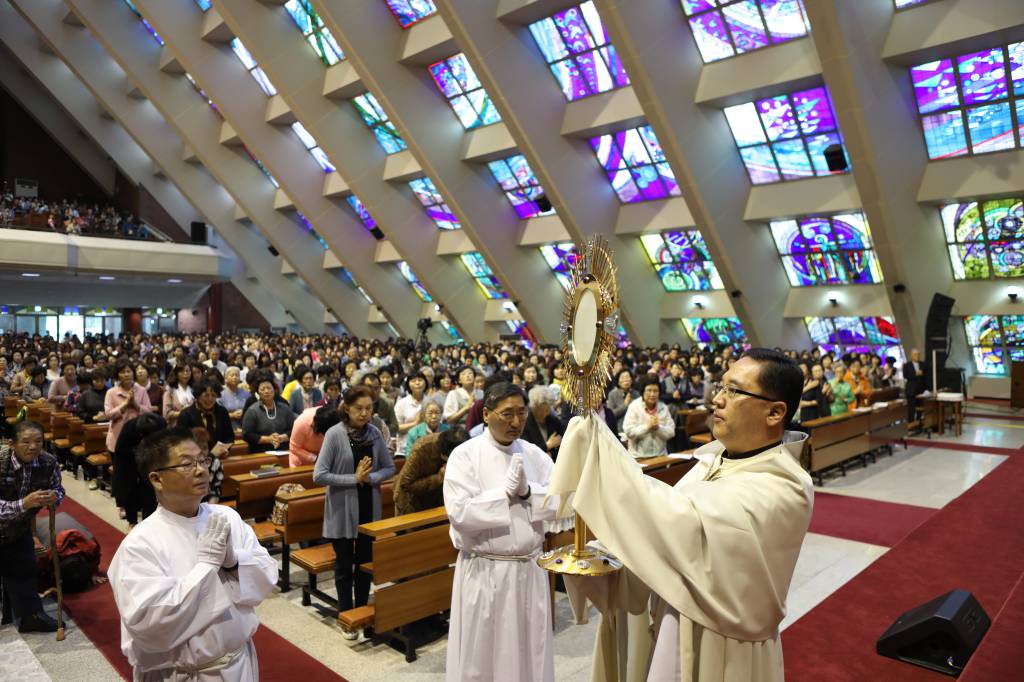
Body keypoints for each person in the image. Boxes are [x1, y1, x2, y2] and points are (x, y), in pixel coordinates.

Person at [558, 349, 813, 681]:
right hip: (671, 625)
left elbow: (684, 526)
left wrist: (600, 448)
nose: (717, 400)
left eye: (733, 391)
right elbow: (665, 540)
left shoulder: (785, 487)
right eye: (720, 388)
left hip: (724, 651)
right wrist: (609, 560)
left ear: (775, 412)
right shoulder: (712, 462)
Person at [108, 430, 278, 680]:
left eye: (203, 460)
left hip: (239, 662)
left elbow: (267, 576)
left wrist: (233, 563)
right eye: (187, 464)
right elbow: (150, 624)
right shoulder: (139, 544)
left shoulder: (226, 518)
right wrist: (206, 567)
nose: (201, 470)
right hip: (185, 673)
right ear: (156, 479)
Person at [443, 382, 560, 682]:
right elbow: (459, 513)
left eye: (522, 413)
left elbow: (561, 502)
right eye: (507, 414)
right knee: (483, 655)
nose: (517, 422)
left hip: (529, 569)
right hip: (486, 570)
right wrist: (503, 495)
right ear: (486, 414)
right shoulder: (465, 455)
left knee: (530, 650)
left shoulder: (534, 455)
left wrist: (528, 492)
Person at [313, 386, 395, 634]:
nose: (364, 413)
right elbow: (319, 475)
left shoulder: (374, 434)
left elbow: (390, 468)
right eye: (359, 408)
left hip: (369, 508)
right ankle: (346, 617)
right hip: (342, 509)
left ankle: (361, 612)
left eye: (369, 408)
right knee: (344, 567)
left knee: (365, 565)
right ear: (346, 408)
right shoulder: (334, 435)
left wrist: (371, 479)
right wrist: (354, 478)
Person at [0, 421, 64, 633]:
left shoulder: (48, 462)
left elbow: (58, 488)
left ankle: (30, 617)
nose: (33, 447)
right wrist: (23, 504)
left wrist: (55, 497)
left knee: (25, 569)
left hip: (18, 529)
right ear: (12, 443)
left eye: (38, 441)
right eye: (26, 442)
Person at [393, 428, 469, 515]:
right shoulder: (421, 448)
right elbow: (405, 484)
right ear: (444, 455)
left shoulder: (464, 445)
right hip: (411, 503)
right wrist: (439, 478)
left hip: (443, 501)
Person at [112, 412, 167, 527]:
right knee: (129, 490)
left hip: (151, 460)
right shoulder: (129, 428)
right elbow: (120, 450)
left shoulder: (161, 424)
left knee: (150, 491)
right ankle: (132, 522)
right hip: (128, 460)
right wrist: (138, 452)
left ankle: (148, 523)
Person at [104, 362, 154, 455]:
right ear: (117, 375)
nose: (126, 374)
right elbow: (108, 415)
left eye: (129, 371)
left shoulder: (141, 390)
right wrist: (125, 404)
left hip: (138, 436)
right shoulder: (111, 392)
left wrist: (135, 404)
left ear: (133, 373)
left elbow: (149, 412)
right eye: (123, 372)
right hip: (117, 436)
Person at [622, 374, 676, 457]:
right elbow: (628, 431)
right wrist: (647, 427)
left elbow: (671, 432)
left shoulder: (663, 407)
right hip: (638, 457)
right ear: (642, 391)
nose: (652, 394)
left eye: (655, 391)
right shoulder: (634, 406)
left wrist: (658, 428)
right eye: (649, 390)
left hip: (660, 456)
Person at [241, 377, 296, 453]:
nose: (266, 391)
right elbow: (246, 435)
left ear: (274, 390)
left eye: (269, 388)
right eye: (263, 389)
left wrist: (282, 438)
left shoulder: (284, 408)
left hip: (284, 450)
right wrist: (268, 439)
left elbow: (294, 429)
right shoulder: (252, 411)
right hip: (260, 452)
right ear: (258, 392)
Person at [522, 385, 564, 459]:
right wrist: (547, 446)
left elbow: (561, 445)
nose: (547, 413)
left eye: (548, 409)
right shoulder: (524, 423)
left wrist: (552, 455)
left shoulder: (554, 421)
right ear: (533, 407)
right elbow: (525, 450)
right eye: (543, 410)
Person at [394, 372, 427, 456]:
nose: (417, 383)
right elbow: (396, 427)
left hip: (427, 446)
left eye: (420, 380)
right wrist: (415, 423)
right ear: (408, 384)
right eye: (413, 381)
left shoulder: (430, 402)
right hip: (405, 448)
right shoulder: (401, 403)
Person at [162, 364, 194, 428]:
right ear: (176, 374)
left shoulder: (194, 389)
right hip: (176, 428)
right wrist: (183, 413)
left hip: (193, 427)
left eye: (187, 371)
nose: (185, 373)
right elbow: (166, 414)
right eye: (182, 371)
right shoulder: (170, 391)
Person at [903, 348, 929, 423]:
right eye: (915, 355)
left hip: (921, 390)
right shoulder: (907, 365)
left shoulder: (923, 364)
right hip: (911, 390)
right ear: (911, 356)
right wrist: (915, 374)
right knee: (911, 408)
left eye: (918, 355)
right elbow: (905, 376)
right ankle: (910, 423)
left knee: (920, 407)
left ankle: (919, 422)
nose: (917, 356)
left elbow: (926, 376)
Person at [219, 367, 250, 431]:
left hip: (245, 429)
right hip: (227, 428)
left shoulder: (247, 394)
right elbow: (218, 414)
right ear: (226, 379)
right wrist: (232, 415)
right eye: (232, 375)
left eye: (237, 375)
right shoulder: (221, 396)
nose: (235, 377)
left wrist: (245, 413)